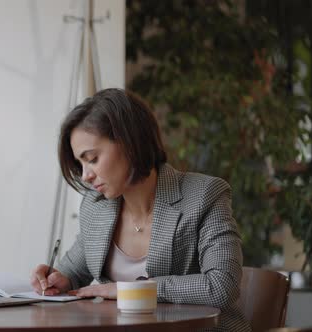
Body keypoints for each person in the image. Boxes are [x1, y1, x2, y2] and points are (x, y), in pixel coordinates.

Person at [30, 88, 250, 331]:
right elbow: (75, 269)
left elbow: (221, 287)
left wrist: (130, 291)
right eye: (80, 163)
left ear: (130, 142)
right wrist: (59, 279)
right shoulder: (96, 207)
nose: (85, 176)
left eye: (92, 159)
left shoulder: (204, 195)